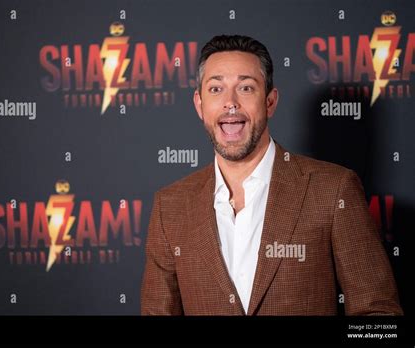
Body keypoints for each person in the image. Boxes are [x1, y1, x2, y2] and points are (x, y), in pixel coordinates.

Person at [141, 34, 403, 315]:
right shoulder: (170, 206)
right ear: (199, 104)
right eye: (216, 89)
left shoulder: (333, 190)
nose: (230, 103)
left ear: (270, 101)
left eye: (245, 88)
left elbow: (378, 316)